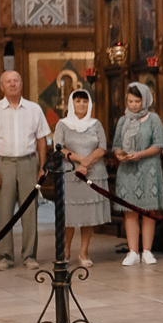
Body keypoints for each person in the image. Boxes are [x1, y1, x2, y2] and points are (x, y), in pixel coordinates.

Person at [0, 70, 50, 271]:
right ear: (2, 86)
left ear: (21, 84)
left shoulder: (34, 109)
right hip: (3, 164)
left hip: (29, 162)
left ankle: (29, 255)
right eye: (8, 82)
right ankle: (5, 256)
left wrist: (42, 167)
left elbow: (42, 140)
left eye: (16, 81)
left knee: (30, 211)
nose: (12, 84)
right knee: (5, 212)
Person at [52, 90, 110, 267]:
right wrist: (79, 159)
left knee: (88, 215)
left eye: (85, 101)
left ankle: (84, 252)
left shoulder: (95, 124)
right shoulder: (63, 124)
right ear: (72, 103)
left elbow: (103, 147)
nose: (82, 105)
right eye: (78, 101)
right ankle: (66, 250)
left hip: (94, 172)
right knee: (69, 215)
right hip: (71, 173)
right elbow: (58, 147)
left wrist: (88, 161)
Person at [113, 82, 163, 265]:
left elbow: (159, 144)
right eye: (130, 101)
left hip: (148, 169)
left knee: (148, 211)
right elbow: (116, 146)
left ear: (144, 101)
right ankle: (132, 252)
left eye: (137, 101)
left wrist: (140, 154)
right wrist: (120, 155)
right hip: (127, 170)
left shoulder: (153, 119)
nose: (134, 105)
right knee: (130, 211)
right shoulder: (123, 120)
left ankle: (147, 251)